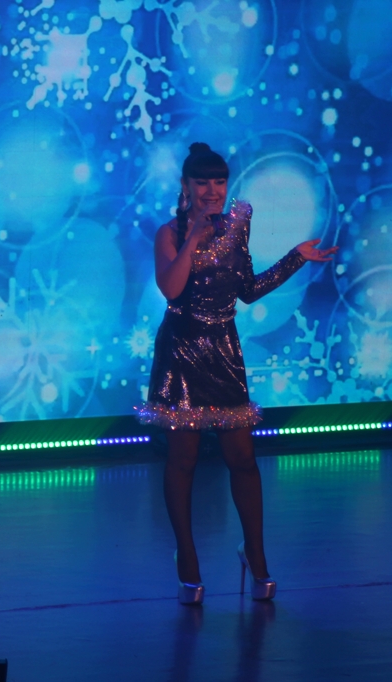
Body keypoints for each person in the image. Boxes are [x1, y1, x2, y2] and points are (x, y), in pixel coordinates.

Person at [136, 142, 336, 604]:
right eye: (202, 182)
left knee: (243, 458)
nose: (212, 190)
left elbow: (247, 290)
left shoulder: (238, 225)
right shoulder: (169, 233)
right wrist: (192, 238)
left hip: (224, 351)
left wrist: (295, 257)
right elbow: (172, 289)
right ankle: (187, 556)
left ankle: (255, 553)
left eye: (219, 181)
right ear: (185, 186)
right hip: (181, 352)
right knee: (183, 459)